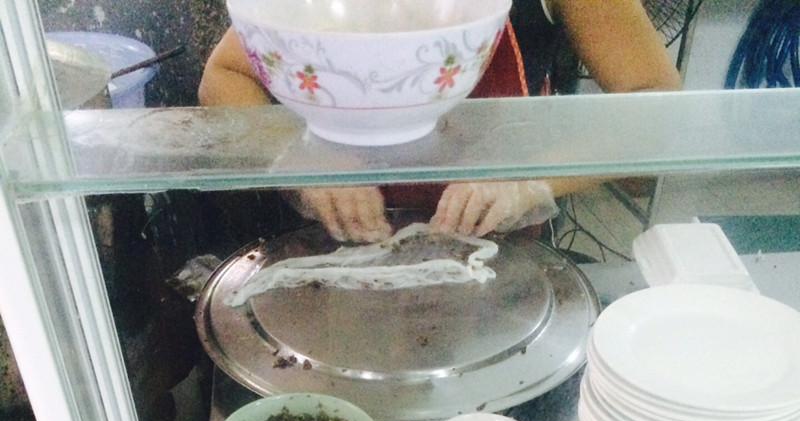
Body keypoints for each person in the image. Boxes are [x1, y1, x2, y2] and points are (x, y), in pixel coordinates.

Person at [199, 0, 681, 243]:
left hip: (504, 263)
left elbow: (657, 109)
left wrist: (530, 183)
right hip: (332, 256)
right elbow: (224, 76)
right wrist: (305, 160)